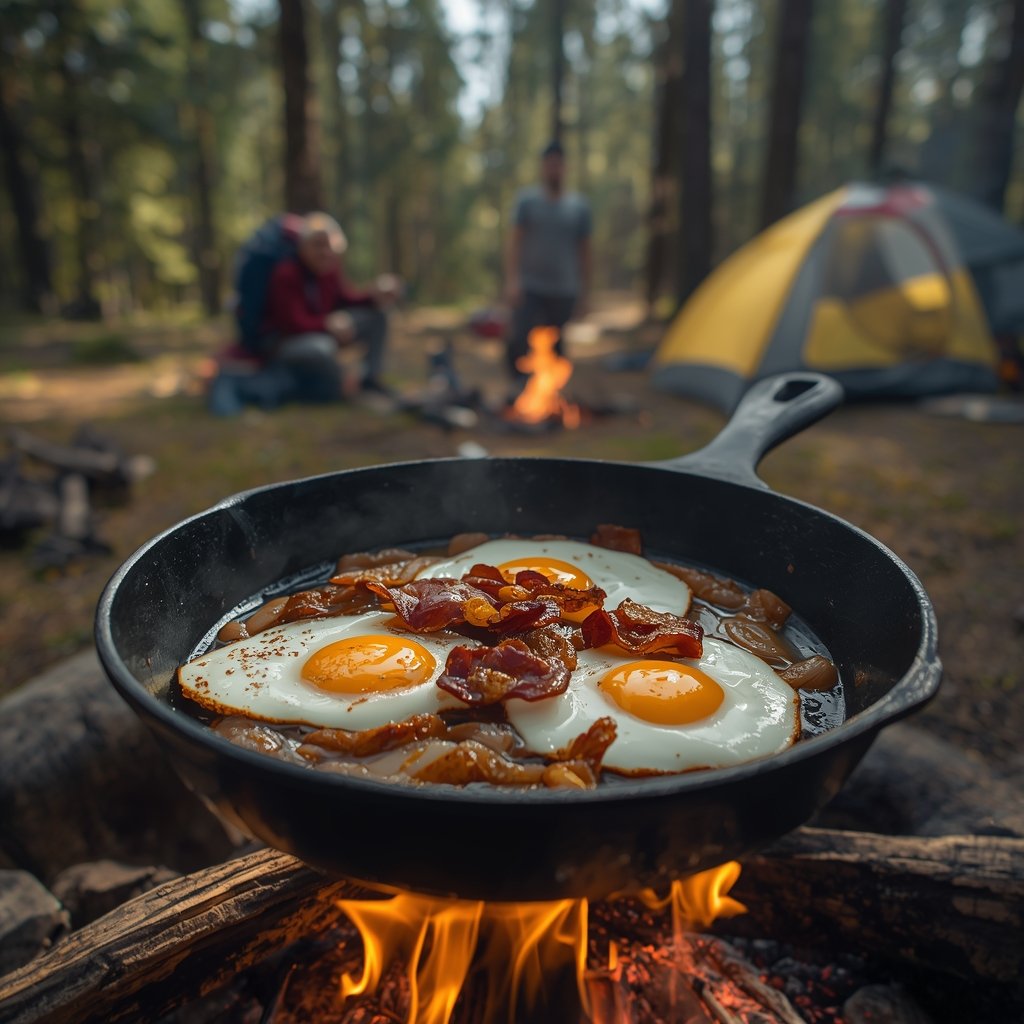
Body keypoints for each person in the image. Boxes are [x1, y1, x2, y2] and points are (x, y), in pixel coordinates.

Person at [265, 212, 400, 400]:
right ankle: (337, 389)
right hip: (290, 344)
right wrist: (327, 324)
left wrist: (373, 295)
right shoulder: (286, 274)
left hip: (325, 332)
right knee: (323, 347)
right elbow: (292, 323)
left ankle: (370, 379)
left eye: (329, 245)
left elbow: (345, 298)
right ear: (302, 247)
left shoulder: (330, 268)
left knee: (379, 316)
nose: (325, 252)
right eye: (317, 245)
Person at [503, 140, 592, 388]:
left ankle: (551, 396)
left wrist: (584, 291)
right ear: (543, 167)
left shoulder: (579, 207)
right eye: (550, 164)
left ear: (565, 167)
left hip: (564, 288)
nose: (554, 169)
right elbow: (514, 243)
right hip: (530, 285)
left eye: (558, 164)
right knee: (521, 339)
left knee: (556, 345)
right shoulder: (527, 201)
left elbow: (585, 250)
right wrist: (512, 280)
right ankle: (521, 391)